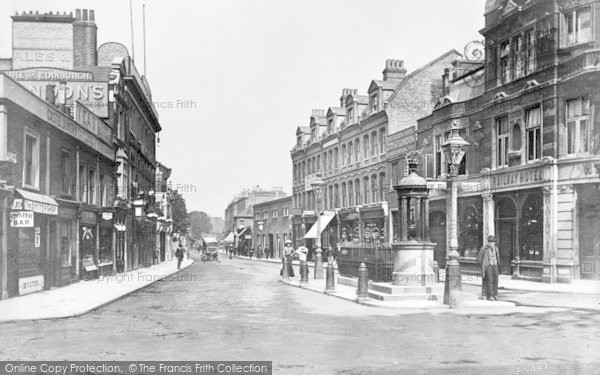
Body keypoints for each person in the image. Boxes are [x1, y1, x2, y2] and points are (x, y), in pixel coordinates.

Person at [477, 235, 500, 300]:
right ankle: (491, 296)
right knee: (490, 280)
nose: (492, 243)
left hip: (495, 265)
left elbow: (498, 258)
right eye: (490, 242)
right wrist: (484, 265)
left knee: (496, 279)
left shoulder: (496, 249)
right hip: (488, 265)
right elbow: (479, 259)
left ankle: (495, 295)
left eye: (493, 242)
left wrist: (498, 265)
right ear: (488, 242)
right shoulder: (484, 249)